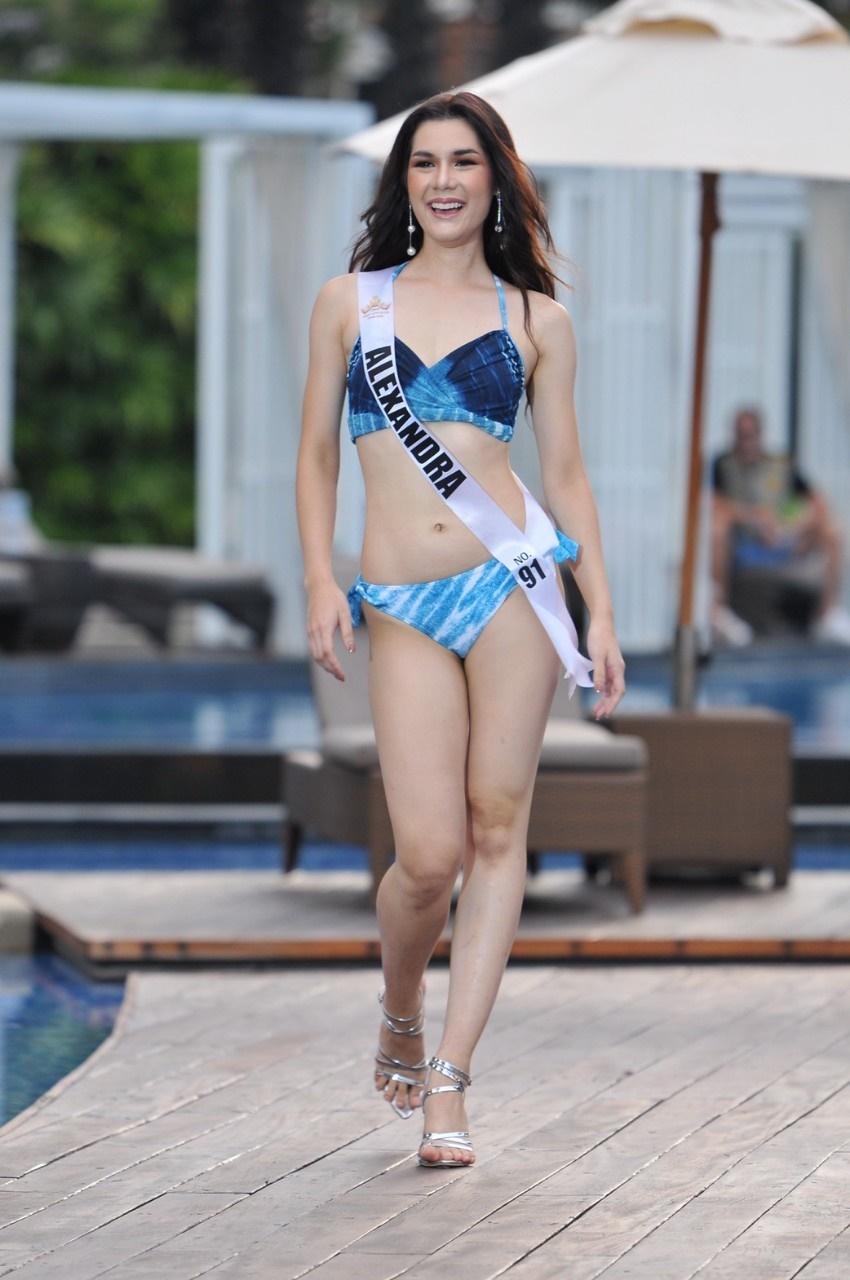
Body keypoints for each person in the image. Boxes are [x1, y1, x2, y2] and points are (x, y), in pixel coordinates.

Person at [296, 91, 624, 1170]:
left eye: (464, 162)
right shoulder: (350, 303)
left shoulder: (537, 320)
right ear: (405, 183)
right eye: (425, 162)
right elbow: (316, 455)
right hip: (401, 601)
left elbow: (566, 474)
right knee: (428, 855)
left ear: (496, 180)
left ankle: (451, 1075)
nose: (444, 181)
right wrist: (320, 579)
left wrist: (602, 611)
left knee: (496, 826)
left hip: (511, 586)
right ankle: (400, 1006)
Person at [710, 407, 850, 646]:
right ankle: (718, 612)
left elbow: (815, 500)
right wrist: (755, 518)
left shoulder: (779, 464)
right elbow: (714, 502)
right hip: (745, 541)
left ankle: (828, 613)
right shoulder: (723, 464)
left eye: (751, 435)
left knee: (832, 530)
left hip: (783, 538)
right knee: (717, 527)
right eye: (741, 436)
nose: (746, 443)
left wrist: (788, 524)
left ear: (760, 435)